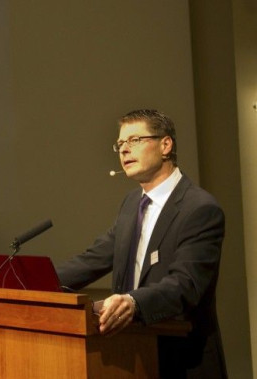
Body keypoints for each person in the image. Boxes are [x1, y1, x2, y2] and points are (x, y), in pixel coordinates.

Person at [56, 109, 227, 378]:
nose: (124, 150)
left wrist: (133, 303)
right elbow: (93, 258)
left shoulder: (199, 209)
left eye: (134, 140)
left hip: (182, 359)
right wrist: (30, 283)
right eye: (120, 144)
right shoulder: (131, 204)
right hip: (131, 356)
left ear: (165, 145)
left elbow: (186, 284)